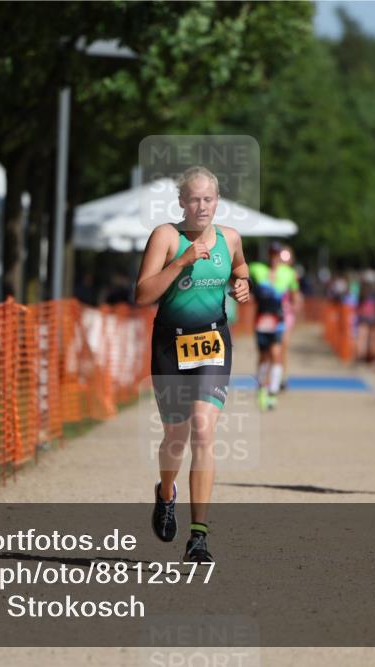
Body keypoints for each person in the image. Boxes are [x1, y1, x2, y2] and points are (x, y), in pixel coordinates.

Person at [134, 166, 251, 563]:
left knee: (203, 430)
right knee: (176, 438)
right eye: (194, 199)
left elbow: (239, 267)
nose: (201, 206)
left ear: (217, 201)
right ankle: (166, 493)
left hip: (213, 342)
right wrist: (181, 262)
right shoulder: (166, 237)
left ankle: (198, 537)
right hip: (171, 344)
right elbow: (142, 294)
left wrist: (242, 284)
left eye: (209, 199)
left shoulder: (230, 238)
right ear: (182, 202)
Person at [248, 243, 299, 410]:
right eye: (273, 254)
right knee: (264, 356)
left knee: (277, 354)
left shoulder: (289, 273)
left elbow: (295, 294)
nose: (275, 258)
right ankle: (262, 386)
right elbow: (242, 276)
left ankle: (273, 392)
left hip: (278, 320)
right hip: (261, 319)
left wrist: (293, 306)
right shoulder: (257, 269)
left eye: (278, 254)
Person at [277, 245, 303, 391]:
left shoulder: (292, 274)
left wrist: (296, 304)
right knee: (273, 346)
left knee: (283, 345)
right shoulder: (272, 272)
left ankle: (282, 376)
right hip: (273, 312)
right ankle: (272, 375)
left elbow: (295, 294)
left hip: (286, 314)